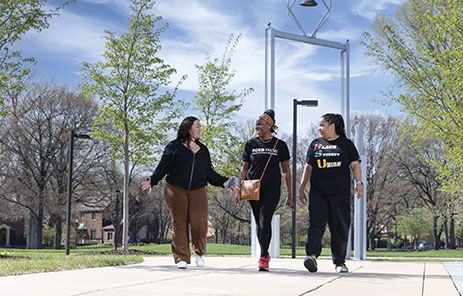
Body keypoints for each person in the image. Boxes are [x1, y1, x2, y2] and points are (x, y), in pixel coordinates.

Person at [141, 116, 236, 269]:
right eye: (197, 126)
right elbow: (163, 166)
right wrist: (153, 179)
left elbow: (209, 173)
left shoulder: (203, 150)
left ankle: (198, 252)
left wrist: (226, 182)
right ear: (188, 128)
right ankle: (181, 258)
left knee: (199, 222)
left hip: (197, 190)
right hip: (175, 189)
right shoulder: (174, 147)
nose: (200, 129)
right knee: (179, 223)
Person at [298, 113, 364, 273]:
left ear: (332, 126)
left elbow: (355, 165)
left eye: (322, 125)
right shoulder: (315, 144)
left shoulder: (346, 144)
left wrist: (359, 183)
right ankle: (311, 257)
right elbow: (308, 168)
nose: (318, 128)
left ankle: (340, 262)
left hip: (339, 193)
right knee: (315, 225)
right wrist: (301, 188)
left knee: (340, 227)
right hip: (318, 193)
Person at [236, 109, 292, 271]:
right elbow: (244, 168)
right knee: (259, 224)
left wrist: (289, 194)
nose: (257, 126)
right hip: (251, 187)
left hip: (272, 187)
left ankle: (262, 257)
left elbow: (286, 170)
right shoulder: (250, 144)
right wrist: (240, 189)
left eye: (260, 123)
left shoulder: (279, 145)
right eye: (256, 124)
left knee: (264, 220)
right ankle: (264, 253)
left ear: (270, 125)